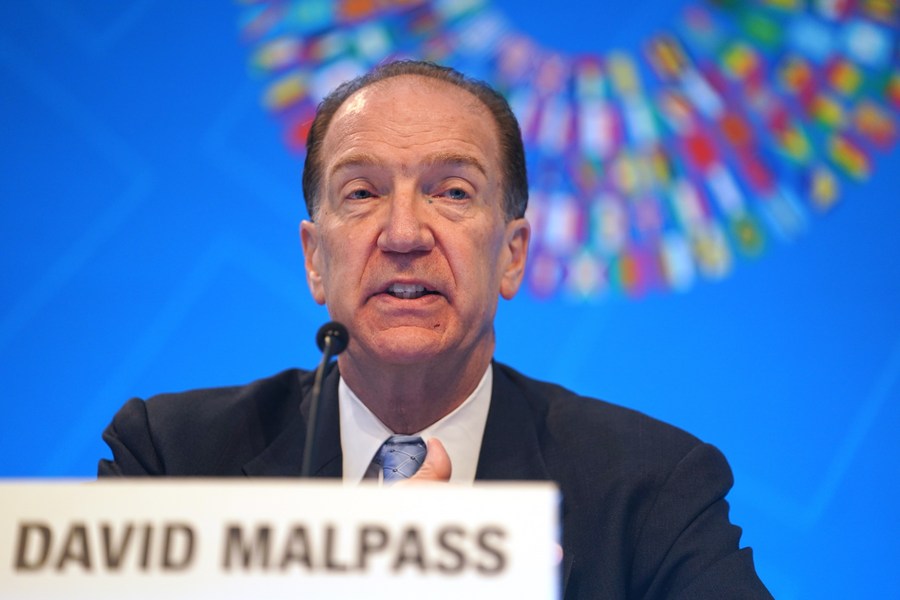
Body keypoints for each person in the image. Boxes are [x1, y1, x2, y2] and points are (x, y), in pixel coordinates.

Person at [99, 60, 772, 598]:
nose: (403, 233)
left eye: (452, 192)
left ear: (512, 255)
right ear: (314, 260)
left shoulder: (650, 488)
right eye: (361, 193)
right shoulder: (172, 460)